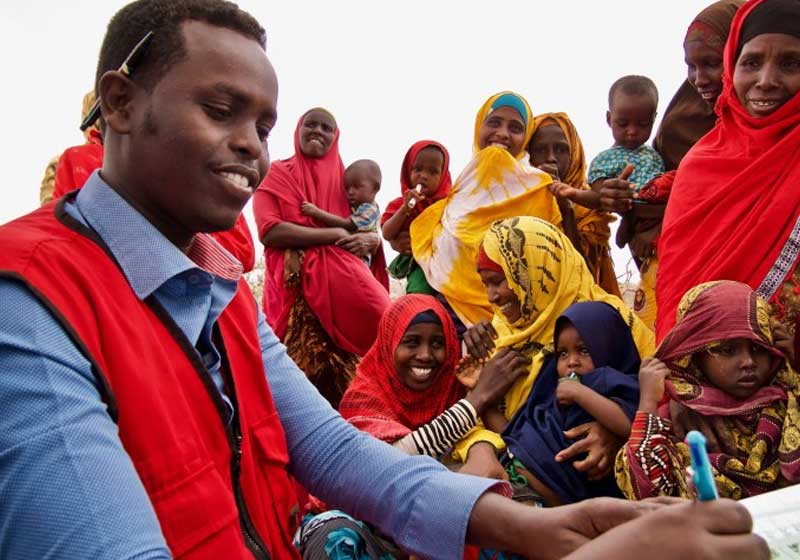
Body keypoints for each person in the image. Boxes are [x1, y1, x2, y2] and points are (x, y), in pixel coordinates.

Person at [0, 1, 771, 559]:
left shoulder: (221, 287)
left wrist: (529, 527)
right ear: (121, 103)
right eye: (221, 109)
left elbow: (332, 451)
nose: (253, 150)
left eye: (264, 126)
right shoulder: (29, 303)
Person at [295, 294, 528, 557]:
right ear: (389, 344)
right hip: (361, 524)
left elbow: (501, 450)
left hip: (427, 519)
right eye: (412, 343)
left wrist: (480, 436)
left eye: (438, 343)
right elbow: (387, 463)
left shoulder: (452, 388)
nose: (425, 355)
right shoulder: (365, 397)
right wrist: (477, 400)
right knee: (337, 541)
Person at [455, 217, 655, 486]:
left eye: (499, 281)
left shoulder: (606, 318)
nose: (491, 296)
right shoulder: (498, 335)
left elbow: (656, 394)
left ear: (535, 268)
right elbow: (484, 421)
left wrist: (617, 434)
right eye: (485, 283)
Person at [655, 0, 800, 350]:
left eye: (790, 64)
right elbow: (677, 297)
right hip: (697, 388)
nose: (765, 81)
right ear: (731, 67)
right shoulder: (700, 164)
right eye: (751, 63)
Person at [619, 0, 744, 330]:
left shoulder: (772, 127)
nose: (698, 79)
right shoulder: (680, 122)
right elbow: (648, 197)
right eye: (690, 66)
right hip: (676, 264)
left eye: (711, 64)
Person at [253, 109, 390, 407]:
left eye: (327, 127)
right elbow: (270, 231)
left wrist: (373, 241)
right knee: (295, 394)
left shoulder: (349, 186)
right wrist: (335, 236)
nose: (318, 131)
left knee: (352, 397)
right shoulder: (277, 174)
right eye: (310, 124)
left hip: (347, 301)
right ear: (298, 129)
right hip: (295, 300)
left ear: (336, 137)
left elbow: (367, 229)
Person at [617, 280, 800, 500]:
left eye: (758, 348)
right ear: (694, 353)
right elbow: (644, 490)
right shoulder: (677, 420)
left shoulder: (785, 401)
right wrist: (647, 402)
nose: (748, 361)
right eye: (727, 350)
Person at [411, 92, 561, 328]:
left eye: (515, 127)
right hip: (449, 315)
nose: (502, 133)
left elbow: (548, 264)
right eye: (493, 123)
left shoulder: (540, 191)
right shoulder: (461, 189)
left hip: (517, 322)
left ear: (526, 138)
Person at [501, 301, 641, 506]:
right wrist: (482, 402)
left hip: (540, 501)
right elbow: (517, 431)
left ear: (609, 346)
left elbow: (631, 425)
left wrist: (580, 394)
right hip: (510, 474)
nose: (571, 361)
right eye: (563, 353)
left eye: (584, 350)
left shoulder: (608, 380)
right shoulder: (552, 387)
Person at [528, 112, 619, 296]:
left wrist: (566, 208)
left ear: (575, 153)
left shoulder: (590, 204)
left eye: (561, 149)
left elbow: (584, 275)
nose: (551, 158)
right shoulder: (517, 201)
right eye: (540, 150)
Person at [382, 140, 452, 295]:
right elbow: (387, 233)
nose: (424, 176)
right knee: (419, 295)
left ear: (443, 176)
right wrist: (404, 210)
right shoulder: (400, 204)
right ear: (408, 171)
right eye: (418, 169)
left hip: (450, 265)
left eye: (433, 172)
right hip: (419, 266)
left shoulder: (450, 204)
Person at [588, 75, 665, 193]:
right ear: (609, 119)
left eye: (643, 124)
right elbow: (600, 198)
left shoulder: (655, 154)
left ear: (653, 120)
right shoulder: (602, 161)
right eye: (623, 124)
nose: (632, 132)